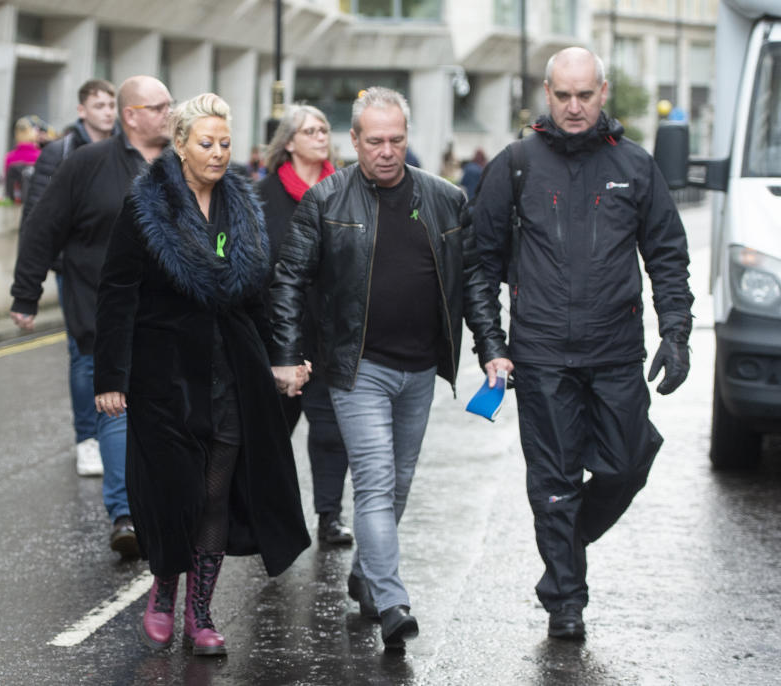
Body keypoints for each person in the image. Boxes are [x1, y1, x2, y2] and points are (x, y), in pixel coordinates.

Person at [268, 87, 511, 650]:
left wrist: (491, 347)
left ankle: (366, 576)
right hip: (358, 370)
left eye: (396, 140)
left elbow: (474, 281)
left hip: (420, 370)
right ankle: (393, 600)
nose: (386, 151)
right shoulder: (326, 200)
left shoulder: (446, 199)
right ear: (354, 141)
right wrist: (285, 352)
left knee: (398, 484)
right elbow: (288, 280)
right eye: (374, 141)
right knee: (376, 482)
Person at [472, 47, 693, 641]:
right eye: (563, 95)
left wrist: (676, 332)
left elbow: (668, 258)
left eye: (585, 95)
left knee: (626, 464)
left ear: (603, 92)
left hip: (615, 351)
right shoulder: (515, 165)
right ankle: (565, 598)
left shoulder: (638, 166)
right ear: (547, 94)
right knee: (553, 481)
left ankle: (567, 535)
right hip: (540, 356)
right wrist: (491, 343)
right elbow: (480, 264)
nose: (574, 107)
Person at [94, 93, 310, 656]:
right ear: (182, 146)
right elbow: (118, 292)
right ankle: (164, 589)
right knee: (176, 490)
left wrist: (279, 361)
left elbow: (260, 293)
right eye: (206, 143)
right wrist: (110, 377)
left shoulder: (242, 203)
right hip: (164, 372)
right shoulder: (146, 206)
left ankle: (201, 612)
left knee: (215, 494)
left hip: (231, 370)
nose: (218, 153)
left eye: (225, 143)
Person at [10, 75, 173, 558]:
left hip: (168, 313)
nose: (170, 112)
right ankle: (125, 514)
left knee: (165, 411)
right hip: (101, 308)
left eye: (171, 104)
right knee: (116, 407)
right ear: (131, 115)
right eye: (159, 106)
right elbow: (43, 228)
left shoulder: (180, 165)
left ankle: (162, 503)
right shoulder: (87, 164)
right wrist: (26, 294)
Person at [256, 104, 353, 546]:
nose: (320, 136)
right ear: (288, 143)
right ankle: (266, 516)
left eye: (324, 129)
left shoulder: (346, 190)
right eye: (309, 131)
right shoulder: (262, 196)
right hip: (277, 336)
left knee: (331, 430)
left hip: (331, 335)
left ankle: (329, 515)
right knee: (271, 433)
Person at [20, 78, 118, 478]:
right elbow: (38, 221)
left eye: (112, 103)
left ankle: (116, 431)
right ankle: (87, 439)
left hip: (117, 272)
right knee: (84, 355)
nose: (107, 111)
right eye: (99, 104)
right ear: (82, 110)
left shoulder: (126, 151)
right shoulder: (60, 152)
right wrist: (45, 274)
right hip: (74, 271)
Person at [4, 117, 41, 203]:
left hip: (14, 201)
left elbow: (7, 182)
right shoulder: (39, 155)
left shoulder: (10, 157)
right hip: (35, 201)